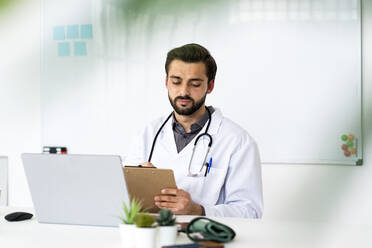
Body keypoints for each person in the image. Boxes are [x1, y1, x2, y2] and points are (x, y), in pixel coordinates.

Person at [124, 43, 263, 218]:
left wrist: (197, 211)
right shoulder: (148, 134)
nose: (183, 91)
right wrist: (137, 182)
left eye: (195, 84)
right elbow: (121, 197)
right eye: (176, 82)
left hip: (204, 240)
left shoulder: (237, 141)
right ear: (166, 82)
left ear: (210, 86)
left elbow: (250, 211)